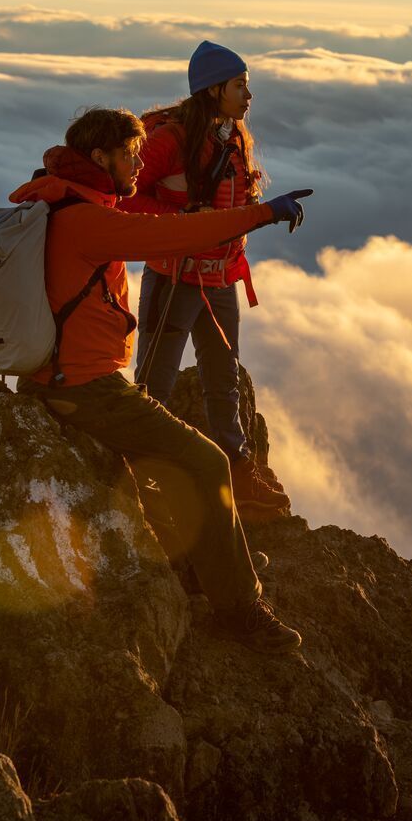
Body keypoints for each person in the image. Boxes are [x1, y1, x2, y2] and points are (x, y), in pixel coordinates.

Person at [12, 106, 311, 653]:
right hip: (85, 387)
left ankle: (207, 562)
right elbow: (177, 235)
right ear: (100, 157)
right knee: (204, 461)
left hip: (55, 376)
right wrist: (258, 214)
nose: (138, 163)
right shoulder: (88, 220)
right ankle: (239, 609)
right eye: (130, 153)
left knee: (164, 467)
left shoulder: (57, 199)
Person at [122, 41, 291, 520]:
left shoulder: (231, 136)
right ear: (213, 89)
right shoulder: (169, 141)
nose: (248, 95)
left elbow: (228, 211)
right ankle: (142, 477)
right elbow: (124, 201)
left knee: (224, 380)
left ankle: (236, 475)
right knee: (155, 383)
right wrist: (179, 214)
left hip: (219, 278)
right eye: (240, 85)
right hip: (174, 278)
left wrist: (264, 217)